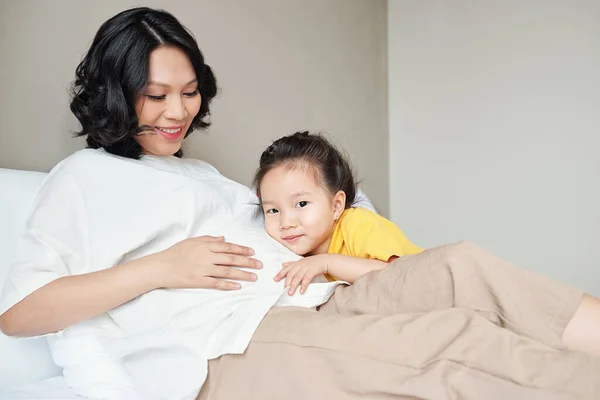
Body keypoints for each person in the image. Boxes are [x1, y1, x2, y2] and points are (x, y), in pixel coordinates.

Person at [1, 6, 600, 400]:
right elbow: (20, 312)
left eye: (188, 93)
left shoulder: (202, 174)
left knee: (459, 267)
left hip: (319, 295)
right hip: (240, 341)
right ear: (115, 93)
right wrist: (162, 268)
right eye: (156, 95)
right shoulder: (82, 177)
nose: (179, 112)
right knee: (455, 343)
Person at [254, 131, 422, 294]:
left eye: (301, 203)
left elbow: (394, 273)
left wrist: (327, 263)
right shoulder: (292, 252)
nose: (286, 223)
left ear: (336, 206)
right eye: (273, 210)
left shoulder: (357, 222)